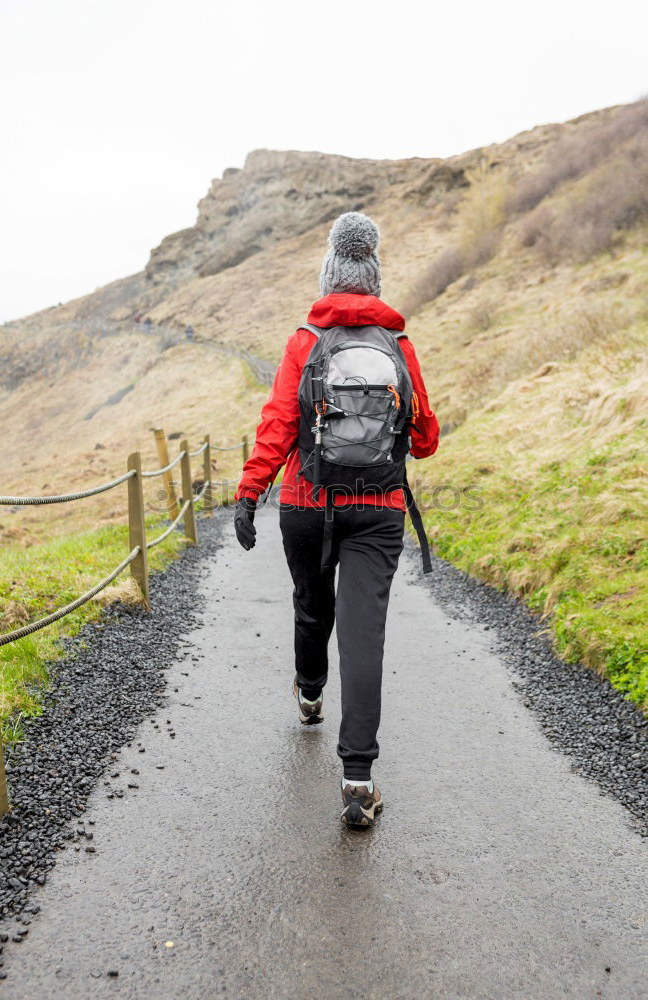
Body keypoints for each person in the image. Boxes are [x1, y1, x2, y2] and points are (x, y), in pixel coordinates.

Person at [234, 212, 439, 828]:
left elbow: (278, 425)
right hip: (378, 510)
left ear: (328, 279)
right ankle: (357, 781)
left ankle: (310, 690)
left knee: (310, 605)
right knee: (362, 636)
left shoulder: (304, 342)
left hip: (306, 502)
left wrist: (249, 494)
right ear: (374, 281)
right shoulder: (398, 346)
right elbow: (424, 439)